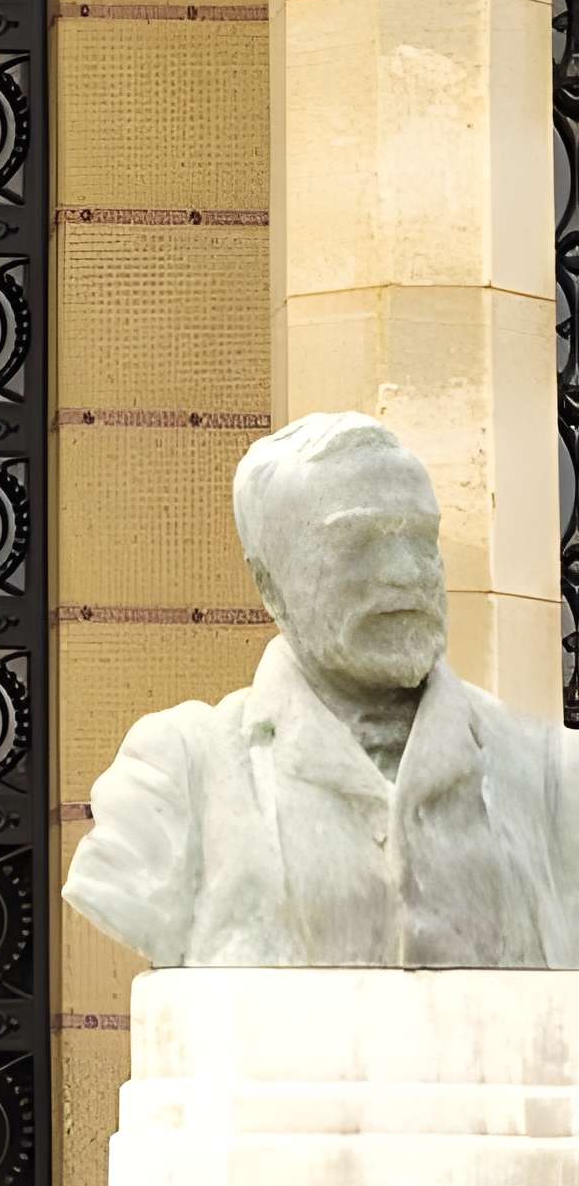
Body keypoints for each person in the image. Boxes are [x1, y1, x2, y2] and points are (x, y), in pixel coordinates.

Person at [61, 411, 579, 968]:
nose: (406, 572)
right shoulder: (179, 774)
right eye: (358, 543)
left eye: (422, 539)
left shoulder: (553, 777)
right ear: (269, 584)